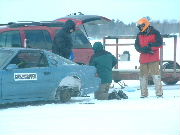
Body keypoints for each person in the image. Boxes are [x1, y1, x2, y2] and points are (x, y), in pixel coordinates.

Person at [134, 17, 163, 98]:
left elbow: (160, 44)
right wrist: (142, 50)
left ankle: (159, 93)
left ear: (145, 25)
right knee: (142, 76)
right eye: (139, 26)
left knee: (156, 75)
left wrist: (150, 47)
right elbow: (136, 46)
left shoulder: (155, 32)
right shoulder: (139, 34)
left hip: (153, 58)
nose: (140, 28)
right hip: (143, 58)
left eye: (141, 26)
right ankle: (143, 94)